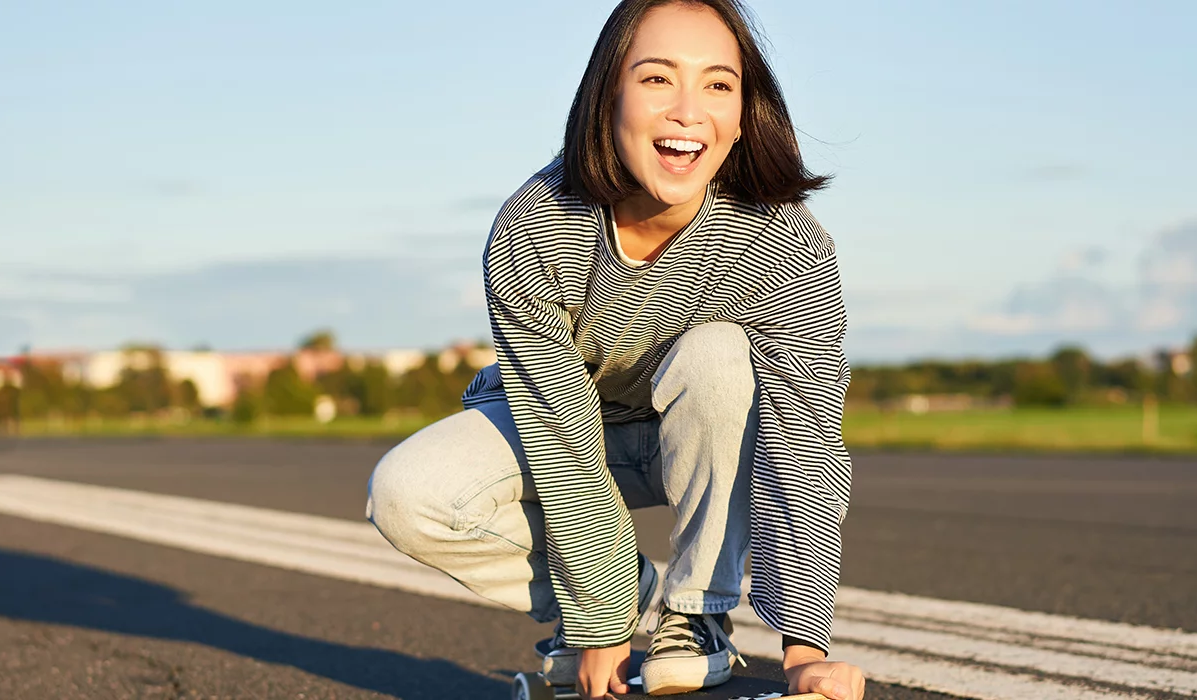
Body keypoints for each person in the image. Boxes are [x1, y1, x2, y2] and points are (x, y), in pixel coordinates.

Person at [366, 1, 863, 698]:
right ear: (607, 97)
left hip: (701, 442)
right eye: (658, 79)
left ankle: (698, 614)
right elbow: (561, 437)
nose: (689, 111)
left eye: (718, 85)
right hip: (571, 432)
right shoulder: (533, 227)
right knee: (408, 493)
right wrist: (600, 621)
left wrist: (805, 651)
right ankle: (621, 598)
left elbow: (803, 447)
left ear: (745, 114)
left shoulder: (786, 247)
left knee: (719, 355)